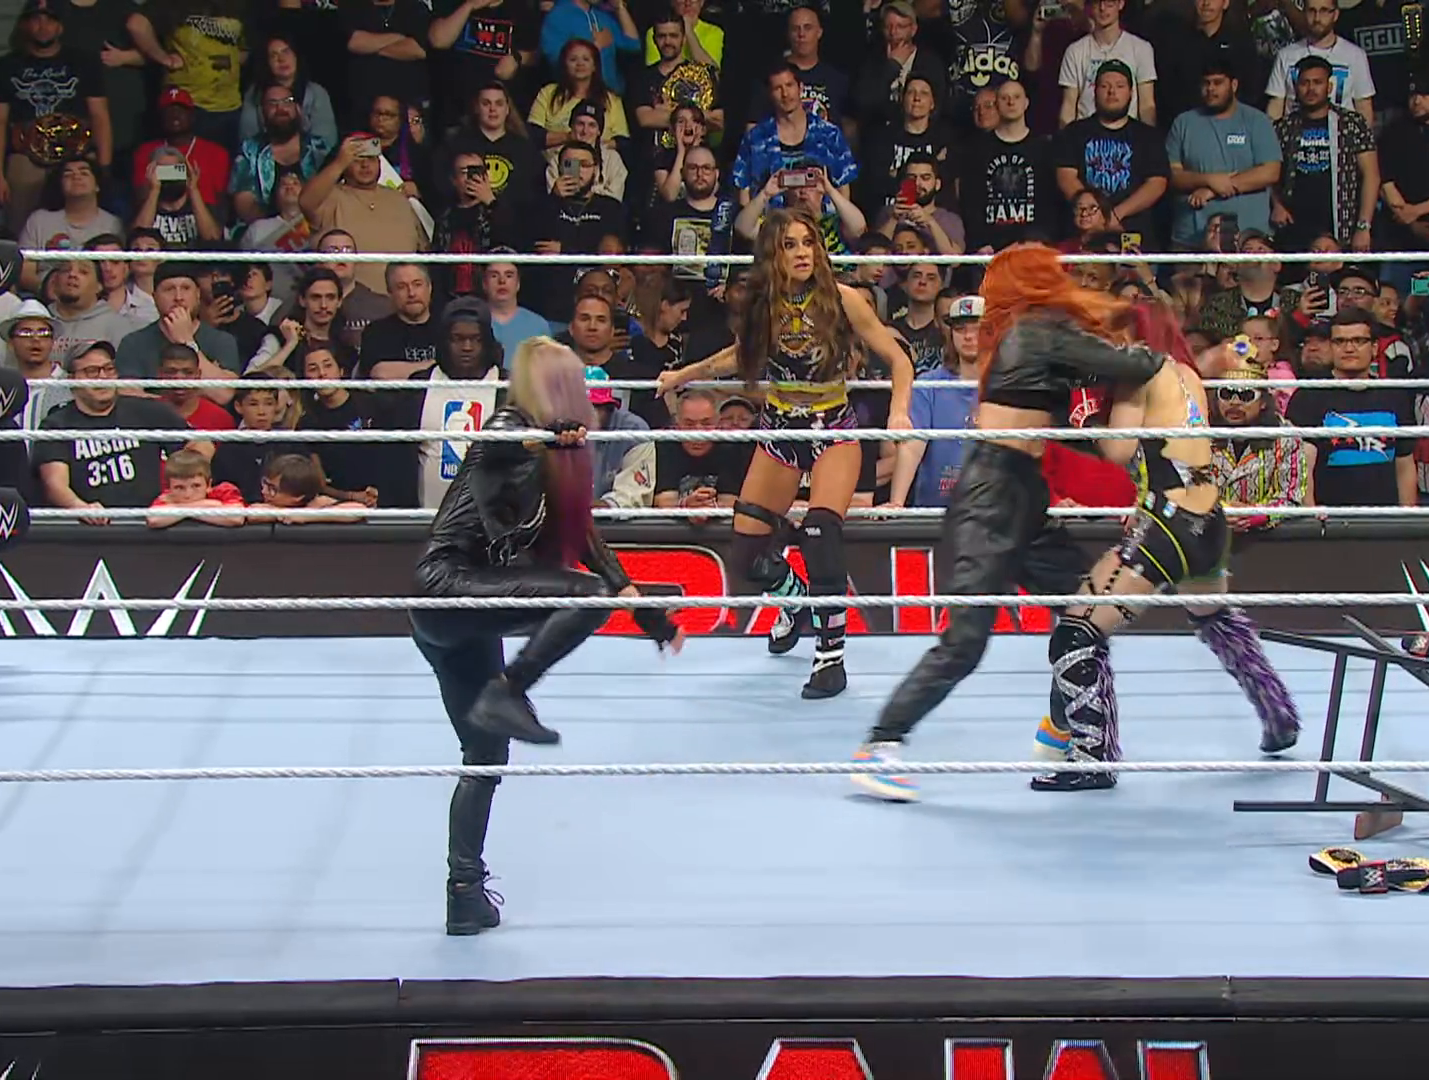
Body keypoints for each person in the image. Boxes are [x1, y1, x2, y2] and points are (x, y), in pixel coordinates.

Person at [850, 243, 1168, 802]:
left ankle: (1061, 729)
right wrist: (1165, 346)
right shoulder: (1035, 331)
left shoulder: (1033, 334)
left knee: (1084, 613)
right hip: (991, 496)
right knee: (965, 642)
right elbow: (1135, 365)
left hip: (1024, 491)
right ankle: (879, 745)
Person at [411, 337, 684, 936]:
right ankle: (510, 689)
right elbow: (495, 445)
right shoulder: (513, 429)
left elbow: (584, 537)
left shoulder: (558, 456)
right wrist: (546, 435)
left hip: (466, 613)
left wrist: (646, 614)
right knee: (583, 596)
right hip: (446, 587)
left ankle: (464, 892)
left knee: (485, 754)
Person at [1029, 306, 1300, 793]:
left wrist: (1074, 419)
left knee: (1076, 631)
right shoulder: (1187, 374)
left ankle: (1092, 758)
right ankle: (1278, 714)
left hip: (1169, 521)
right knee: (1213, 615)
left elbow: (1117, 451)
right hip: (1208, 518)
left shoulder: (1139, 374)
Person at [657, 206, 914, 700]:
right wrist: (682, 375)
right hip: (779, 428)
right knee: (747, 549)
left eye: (807, 242)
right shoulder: (764, 305)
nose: (801, 253)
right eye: (789, 245)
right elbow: (739, 355)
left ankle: (830, 658)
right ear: (773, 255)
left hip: (831, 428)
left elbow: (898, 360)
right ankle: (795, 603)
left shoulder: (843, 299)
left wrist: (899, 411)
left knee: (819, 532)